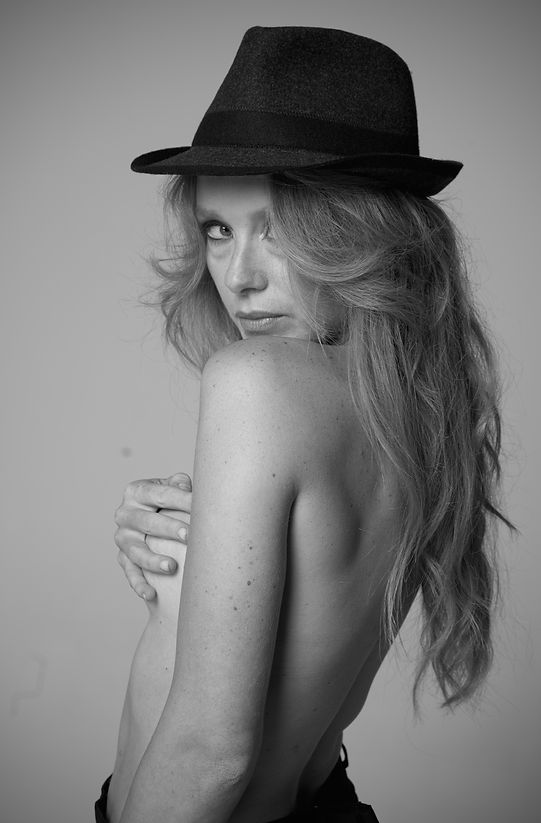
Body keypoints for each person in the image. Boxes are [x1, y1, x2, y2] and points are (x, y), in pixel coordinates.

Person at [97, 26, 512, 823]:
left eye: (278, 228)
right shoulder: (416, 419)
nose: (239, 277)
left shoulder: (254, 382)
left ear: (364, 232)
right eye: (218, 229)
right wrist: (176, 571)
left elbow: (213, 752)